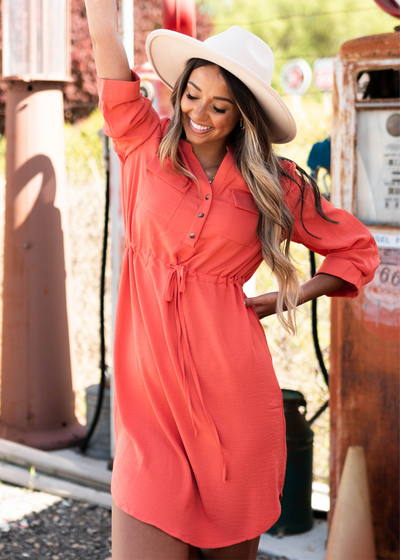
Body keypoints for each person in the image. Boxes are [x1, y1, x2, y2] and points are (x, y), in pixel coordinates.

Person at [84, 2, 380, 559]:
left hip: (234, 403)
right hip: (150, 408)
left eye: (220, 106)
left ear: (242, 115)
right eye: (192, 95)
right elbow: (107, 44)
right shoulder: (142, 142)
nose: (200, 113)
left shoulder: (276, 184)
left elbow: (357, 249)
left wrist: (282, 295)